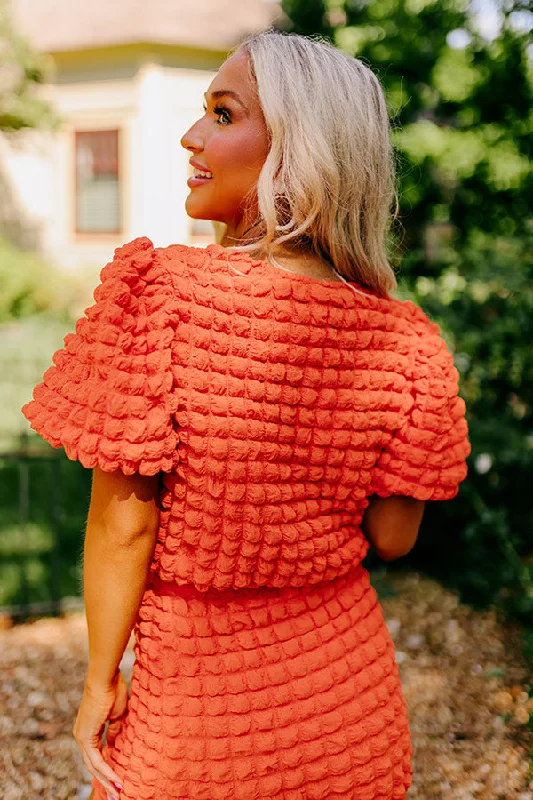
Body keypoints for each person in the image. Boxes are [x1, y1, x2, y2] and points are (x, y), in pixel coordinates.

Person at [22, 30, 470, 800]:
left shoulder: (159, 295)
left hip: (196, 712)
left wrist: (100, 679)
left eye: (224, 115)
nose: (192, 136)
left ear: (301, 150)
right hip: (348, 705)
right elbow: (392, 538)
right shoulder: (406, 341)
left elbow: (123, 525)